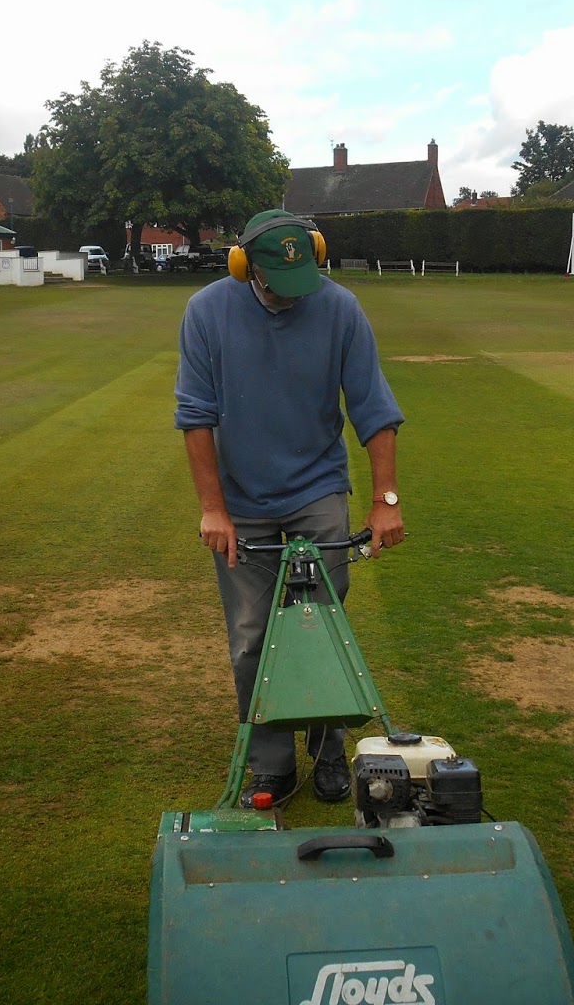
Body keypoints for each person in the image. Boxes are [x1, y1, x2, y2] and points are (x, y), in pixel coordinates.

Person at [174, 208, 406, 808]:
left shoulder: (339, 308)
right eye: (278, 282)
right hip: (241, 497)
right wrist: (213, 510)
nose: (292, 297)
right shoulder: (206, 312)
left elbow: (374, 409)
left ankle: (329, 748)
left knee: (322, 627)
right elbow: (195, 416)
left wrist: (384, 502)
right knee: (252, 636)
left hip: (316, 488)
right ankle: (270, 763)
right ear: (243, 265)